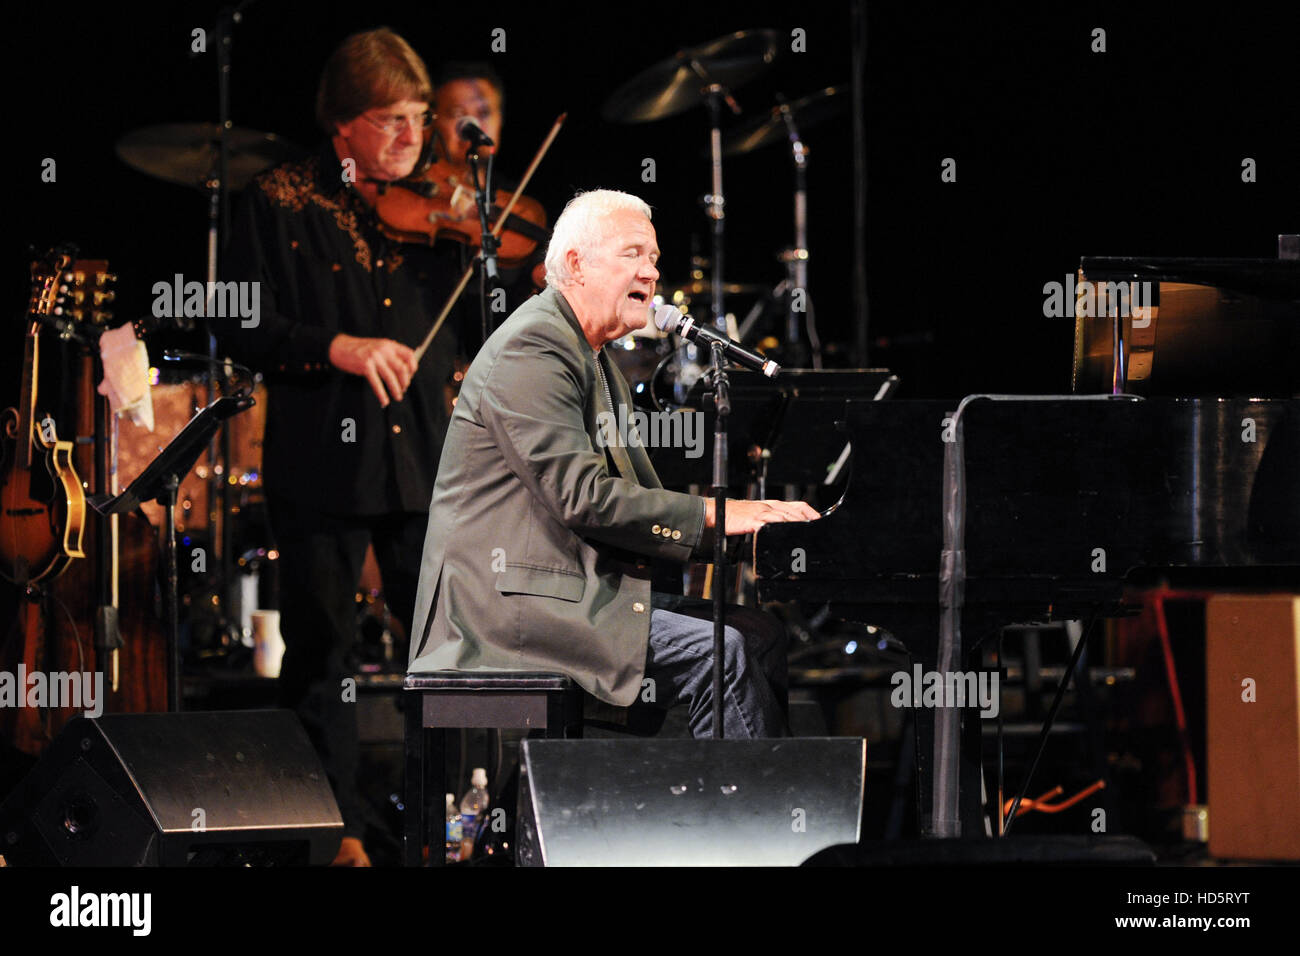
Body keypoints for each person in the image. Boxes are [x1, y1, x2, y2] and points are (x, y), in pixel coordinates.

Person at [408, 189, 818, 738]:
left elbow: (625, 498)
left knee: (759, 630)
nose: (651, 272)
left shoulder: (590, 355)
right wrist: (722, 514)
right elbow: (584, 496)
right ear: (576, 264)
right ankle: (739, 816)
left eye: (653, 257)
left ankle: (719, 808)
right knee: (723, 651)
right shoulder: (534, 346)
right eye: (633, 254)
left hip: (561, 592)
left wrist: (749, 530)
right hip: (503, 611)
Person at [220, 27, 463, 866]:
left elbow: (476, 326)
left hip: (422, 458)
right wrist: (340, 347)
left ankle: (448, 822)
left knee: (446, 648)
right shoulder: (278, 199)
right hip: (323, 457)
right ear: (344, 125)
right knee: (322, 653)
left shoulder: (440, 212)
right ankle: (339, 832)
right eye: (392, 119)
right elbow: (241, 324)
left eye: (421, 118)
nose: (412, 137)